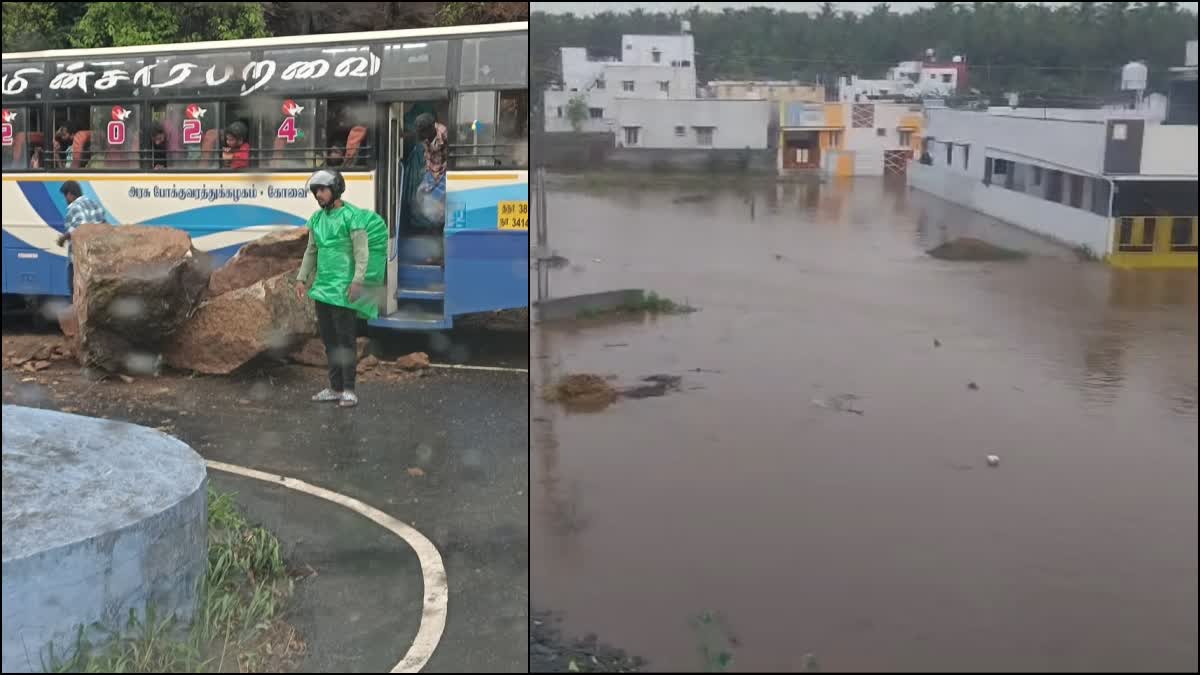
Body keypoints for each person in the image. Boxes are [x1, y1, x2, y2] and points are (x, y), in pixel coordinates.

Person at [294, 168, 387, 408]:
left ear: (335, 190)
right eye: (316, 191)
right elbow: (311, 251)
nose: (318, 195)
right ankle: (334, 388)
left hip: (344, 290)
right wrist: (301, 279)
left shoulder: (352, 217)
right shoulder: (316, 219)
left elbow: (362, 253)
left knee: (346, 341)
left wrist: (357, 281)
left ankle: (349, 390)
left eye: (322, 190)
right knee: (330, 341)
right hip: (323, 289)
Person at [55, 180, 108, 255]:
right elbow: (104, 223)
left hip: (80, 255)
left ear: (70, 195)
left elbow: (80, 227)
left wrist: (63, 238)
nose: (65, 199)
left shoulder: (75, 207)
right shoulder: (94, 203)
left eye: (65, 196)